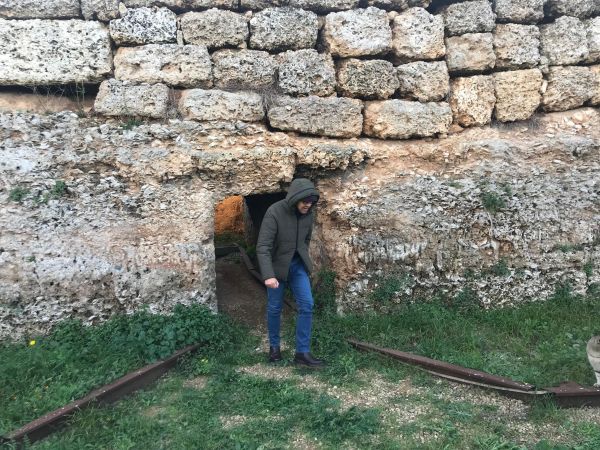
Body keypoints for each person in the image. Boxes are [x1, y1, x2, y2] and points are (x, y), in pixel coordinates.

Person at [256, 178, 324, 368]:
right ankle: (274, 348)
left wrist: (303, 259)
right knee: (275, 307)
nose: (308, 205)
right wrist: (268, 275)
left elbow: (306, 240)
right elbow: (263, 247)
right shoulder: (274, 212)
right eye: (305, 202)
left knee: (307, 304)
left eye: (311, 202)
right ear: (295, 198)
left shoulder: (308, 214)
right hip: (277, 267)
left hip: (297, 266)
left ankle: (302, 352)